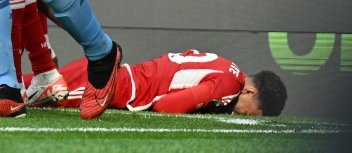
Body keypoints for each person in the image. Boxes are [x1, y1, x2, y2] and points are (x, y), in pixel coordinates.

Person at [54, 50, 286, 116]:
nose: (241, 116)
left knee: (32, 89)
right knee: (32, 96)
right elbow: (165, 106)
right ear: (250, 92)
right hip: (119, 87)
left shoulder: (227, 66)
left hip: (122, 78)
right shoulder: (228, 86)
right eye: (249, 114)